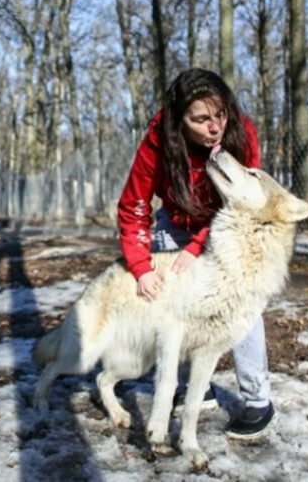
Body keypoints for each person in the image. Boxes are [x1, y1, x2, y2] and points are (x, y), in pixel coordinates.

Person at [117, 68, 274, 439]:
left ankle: (258, 400)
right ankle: (195, 388)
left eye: (219, 114)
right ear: (178, 120)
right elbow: (133, 205)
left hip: (231, 224)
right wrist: (141, 267)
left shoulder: (240, 132)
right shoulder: (157, 142)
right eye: (200, 119)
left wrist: (199, 245)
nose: (214, 127)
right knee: (174, 301)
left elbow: (243, 201)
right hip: (175, 221)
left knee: (241, 303)